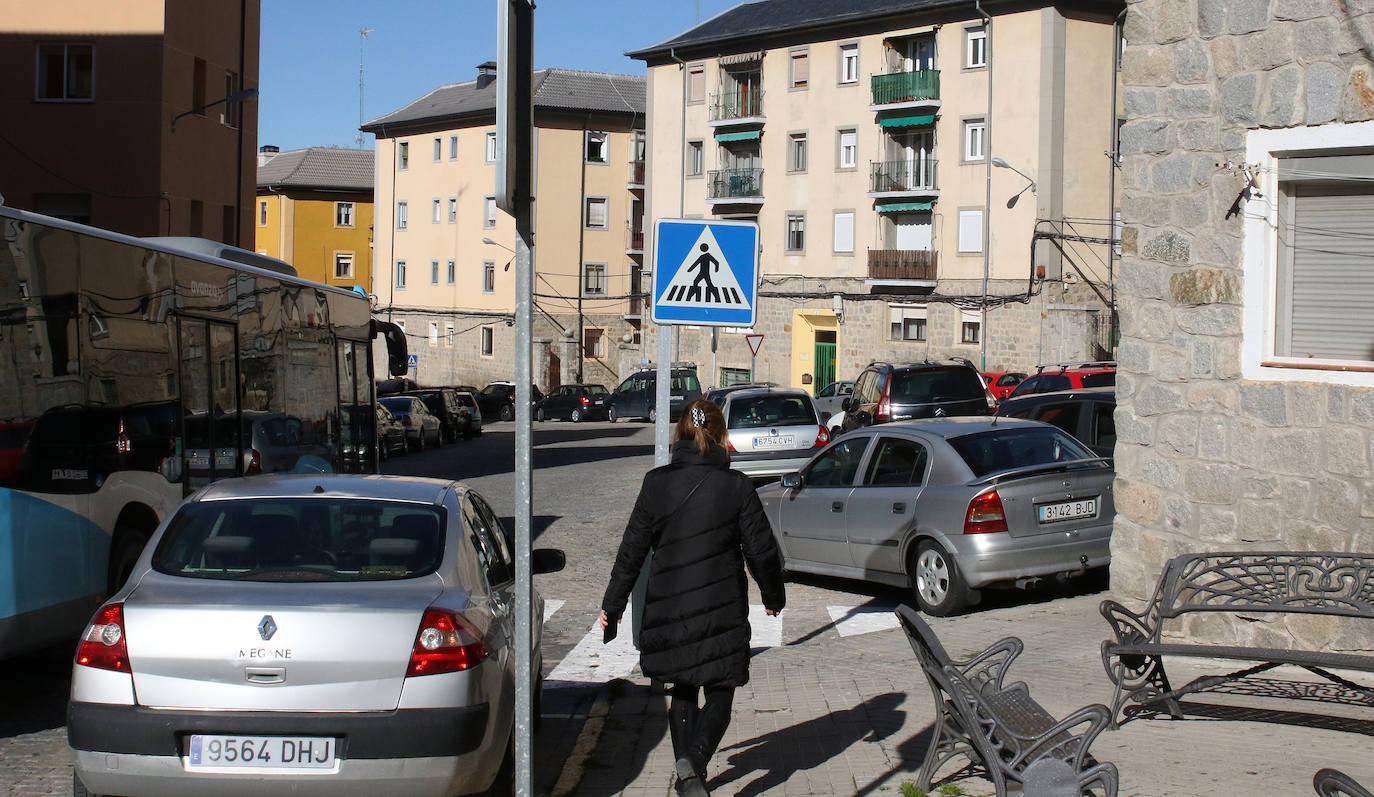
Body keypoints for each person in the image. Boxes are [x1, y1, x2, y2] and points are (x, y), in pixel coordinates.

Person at [601, 400, 785, 797]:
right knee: (721, 690)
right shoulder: (737, 487)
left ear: (680, 435)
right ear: (721, 435)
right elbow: (762, 550)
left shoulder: (656, 483)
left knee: (682, 689)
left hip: (669, 610)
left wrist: (612, 606)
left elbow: (631, 550)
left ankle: (688, 779)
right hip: (722, 610)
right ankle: (695, 761)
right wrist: (773, 596)